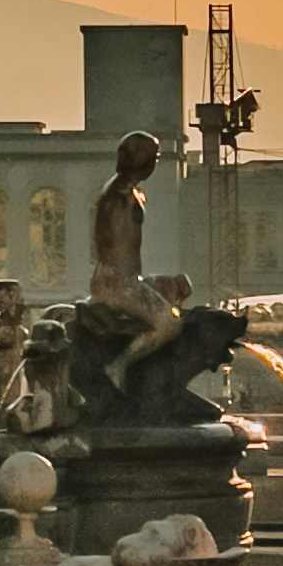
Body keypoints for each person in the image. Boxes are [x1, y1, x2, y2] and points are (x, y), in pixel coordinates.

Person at [84, 130, 188, 395]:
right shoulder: (118, 195)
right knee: (170, 323)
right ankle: (119, 365)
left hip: (126, 279)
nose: (156, 162)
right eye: (154, 157)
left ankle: (154, 371)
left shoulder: (125, 191)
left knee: (177, 288)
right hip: (118, 282)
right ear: (142, 161)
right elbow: (109, 245)